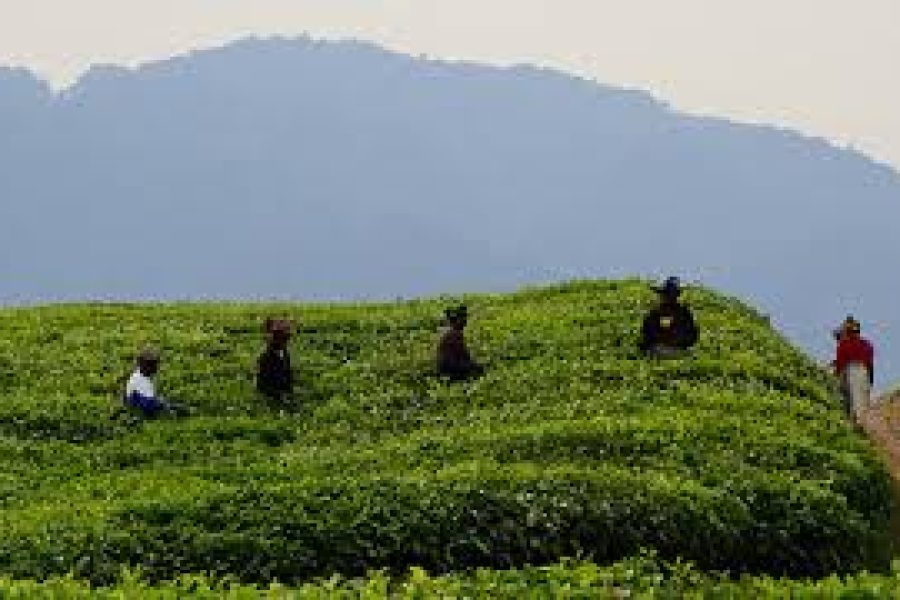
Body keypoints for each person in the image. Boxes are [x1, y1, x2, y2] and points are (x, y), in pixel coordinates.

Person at [639, 277, 698, 358]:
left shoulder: (684, 313)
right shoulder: (655, 313)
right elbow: (646, 333)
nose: (668, 298)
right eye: (667, 295)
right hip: (659, 348)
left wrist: (677, 341)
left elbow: (692, 335)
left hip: (677, 350)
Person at [123, 347, 187, 417]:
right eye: (151, 366)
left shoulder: (141, 375)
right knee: (163, 405)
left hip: (141, 399)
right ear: (142, 365)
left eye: (155, 365)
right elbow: (147, 402)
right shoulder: (139, 380)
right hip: (140, 403)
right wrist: (163, 406)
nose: (155, 368)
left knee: (166, 403)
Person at [833, 316, 875, 422]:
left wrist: (836, 376)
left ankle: (851, 421)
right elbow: (869, 365)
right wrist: (870, 380)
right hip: (863, 372)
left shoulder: (843, 344)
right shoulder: (867, 344)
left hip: (850, 371)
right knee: (861, 402)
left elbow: (840, 365)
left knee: (848, 399)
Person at [436, 305, 484, 381]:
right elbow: (460, 354)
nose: (465, 321)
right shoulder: (453, 334)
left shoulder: (452, 332)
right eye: (462, 319)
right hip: (450, 366)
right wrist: (471, 364)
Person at [257, 317, 294, 401]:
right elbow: (262, 383)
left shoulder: (284, 354)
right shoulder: (266, 357)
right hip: (271, 389)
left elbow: (288, 373)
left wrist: (288, 389)